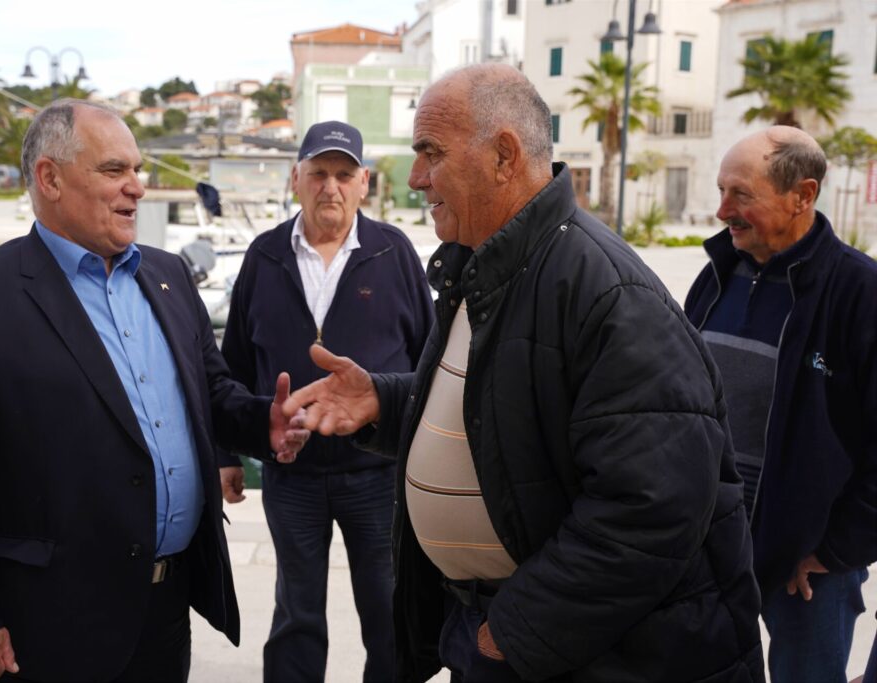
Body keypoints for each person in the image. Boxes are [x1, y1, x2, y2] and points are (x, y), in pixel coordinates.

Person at [282, 63, 765, 682]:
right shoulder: (489, 266)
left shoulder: (608, 293)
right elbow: (498, 416)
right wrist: (385, 401)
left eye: (431, 153)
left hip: (578, 652)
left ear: (504, 156)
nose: (416, 177)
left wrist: (512, 632)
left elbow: (655, 507)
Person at [0, 99, 309, 683]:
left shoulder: (169, 276)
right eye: (115, 170)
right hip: (46, 623)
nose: (137, 187)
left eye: (137, 169)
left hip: (166, 609)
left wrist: (261, 422)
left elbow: (211, 392)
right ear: (50, 178)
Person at [217, 121, 434, 682]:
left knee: (389, 610)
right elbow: (232, 365)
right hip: (291, 474)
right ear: (296, 179)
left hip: (378, 475)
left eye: (343, 174)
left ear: (364, 183)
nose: (330, 187)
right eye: (318, 173)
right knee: (297, 612)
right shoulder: (264, 256)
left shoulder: (394, 252)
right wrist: (226, 453)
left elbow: (430, 363)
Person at [684, 126, 877, 683]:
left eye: (741, 194)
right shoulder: (716, 277)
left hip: (809, 568)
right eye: (721, 191)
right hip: (710, 547)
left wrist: (837, 549)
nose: (723, 210)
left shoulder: (859, 291)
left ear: (803, 195)